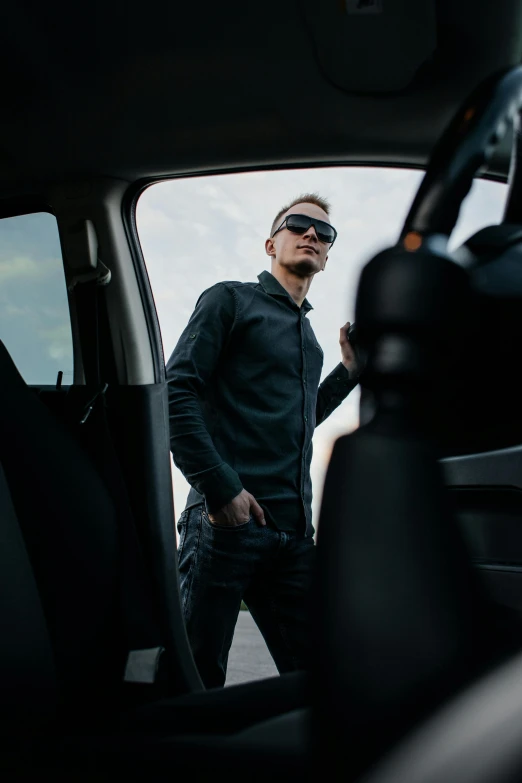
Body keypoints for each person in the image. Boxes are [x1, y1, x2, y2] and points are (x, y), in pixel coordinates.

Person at [166, 193, 360, 688]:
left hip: (294, 536)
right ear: (272, 243)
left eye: (324, 232)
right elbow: (176, 393)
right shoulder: (229, 300)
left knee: (322, 680)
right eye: (299, 224)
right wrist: (220, 490)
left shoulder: (311, 340)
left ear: (328, 255)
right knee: (196, 681)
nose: (313, 234)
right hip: (226, 525)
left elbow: (301, 418)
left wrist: (351, 371)